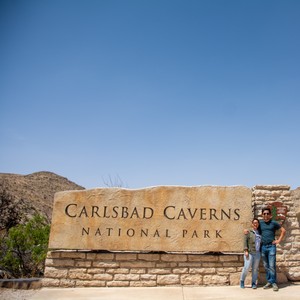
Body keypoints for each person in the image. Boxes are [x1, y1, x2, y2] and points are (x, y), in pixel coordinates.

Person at [259, 207, 286, 291]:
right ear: (262, 215)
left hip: (271, 246)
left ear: (270, 215)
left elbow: (283, 230)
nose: (266, 215)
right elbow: (254, 229)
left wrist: (278, 240)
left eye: (267, 213)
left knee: (272, 265)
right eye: (264, 214)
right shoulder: (260, 223)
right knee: (266, 266)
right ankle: (269, 281)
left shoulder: (274, 223)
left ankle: (273, 282)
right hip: (263, 246)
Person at [240, 218, 261, 289]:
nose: (255, 224)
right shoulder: (249, 232)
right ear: (252, 224)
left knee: (255, 269)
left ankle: (253, 283)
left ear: (258, 224)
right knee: (246, 267)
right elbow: (245, 241)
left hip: (257, 253)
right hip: (250, 252)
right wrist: (246, 250)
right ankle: (242, 281)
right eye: (254, 223)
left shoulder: (260, 232)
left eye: (257, 223)